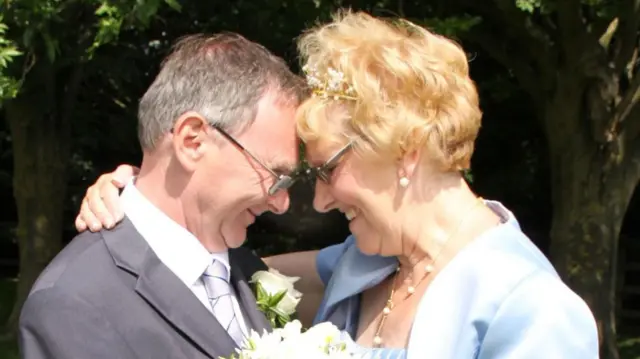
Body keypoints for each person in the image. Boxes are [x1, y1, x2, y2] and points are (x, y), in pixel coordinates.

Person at [75, 11, 599, 359]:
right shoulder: (365, 263)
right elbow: (220, 276)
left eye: (327, 169)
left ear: (406, 151)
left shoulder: (534, 312)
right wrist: (143, 208)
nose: (319, 199)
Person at [19, 33, 310, 359]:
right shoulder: (74, 303)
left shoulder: (249, 271)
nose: (281, 203)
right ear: (192, 141)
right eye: (274, 173)